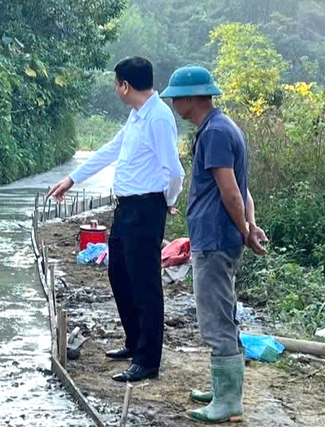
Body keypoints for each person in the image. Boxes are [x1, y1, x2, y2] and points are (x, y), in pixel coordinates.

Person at [48, 56, 184, 382]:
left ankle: (148, 360)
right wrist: (72, 180)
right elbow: (111, 149)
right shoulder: (137, 115)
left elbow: (174, 171)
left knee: (146, 284)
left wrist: (166, 201)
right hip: (126, 208)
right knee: (118, 274)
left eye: (115, 83)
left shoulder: (159, 119)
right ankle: (134, 343)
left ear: (125, 85)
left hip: (146, 208)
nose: (115, 89)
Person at [160, 65, 268, 423]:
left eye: (176, 97)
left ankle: (228, 402)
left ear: (192, 98)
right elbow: (244, 189)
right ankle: (223, 389)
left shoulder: (215, 134)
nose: (173, 103)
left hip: (216, 239)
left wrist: (245, 229)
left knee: (214, 320)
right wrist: (249, 226)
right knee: (224, 313)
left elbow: (231, 191)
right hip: (221, 236)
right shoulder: (222, 127)